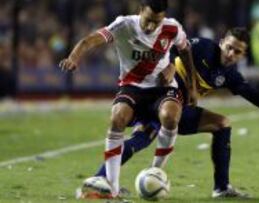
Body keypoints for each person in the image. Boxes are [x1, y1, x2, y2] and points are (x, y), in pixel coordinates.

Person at [92, 27, 259, 199]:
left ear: (243, 54)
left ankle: (98, 181)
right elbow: (173, 46)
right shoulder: (203, 47)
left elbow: (258, 99)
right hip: (159, 97)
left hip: (179, 109)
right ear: (221, 42)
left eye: (237, 51)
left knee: (220, 124)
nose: (231, 54)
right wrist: (170, 68)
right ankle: (101, 181)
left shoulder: (231, 76)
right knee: (143, 137)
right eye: (229, 47)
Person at [59, 0, 197, 199]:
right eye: (148, 20)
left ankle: (155, 173)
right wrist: (74, 57)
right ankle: (112, 187)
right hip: (132, 87)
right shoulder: (124, 25)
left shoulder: (172, 27)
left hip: (162, 89)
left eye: (156, 23)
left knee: (170, 116)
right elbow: (90, 40)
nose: (151, 27)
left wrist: (191, 86)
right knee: (117, 119)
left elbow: (185, 50)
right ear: (140, 11)